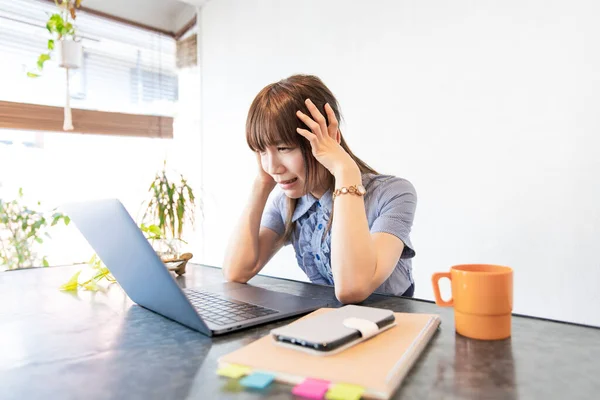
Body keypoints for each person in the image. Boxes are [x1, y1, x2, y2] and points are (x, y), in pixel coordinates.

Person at [223, 74, 417, 304]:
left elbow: (352, 289)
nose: (272, 166)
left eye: (284, 148)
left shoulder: (393, 194)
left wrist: (346, 170)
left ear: (328, 139)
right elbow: (237, 271)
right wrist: (261, 184)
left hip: (393, 323)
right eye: (261, 151)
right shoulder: (286, 201)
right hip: (329, 321)